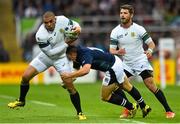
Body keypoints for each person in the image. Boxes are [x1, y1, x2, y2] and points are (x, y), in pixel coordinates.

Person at [8, 11, 86, 120]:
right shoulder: (40, 35)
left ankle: (80, 113)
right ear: (43, 22)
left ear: (55, 19)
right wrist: (66, 43)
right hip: (46, 57)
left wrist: (77, 29)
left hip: (61, 58)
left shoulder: (62, 20)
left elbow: (77, 25)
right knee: (25, 76)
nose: (49, 24)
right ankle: (21, 100)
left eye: (51, 21)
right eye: (46, 22)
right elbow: (51, 53)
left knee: (69, 86)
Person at [109, 4, 175, 119]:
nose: (122, 15)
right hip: (127, 63)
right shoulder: (115, 31)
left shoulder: (139, 29)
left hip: (140, 61)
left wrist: (149, 50)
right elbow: (111, 50)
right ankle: (130, 108)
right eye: (121, 13)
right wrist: (118, 52)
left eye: (125, 13)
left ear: (131, 15)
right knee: (116, 86)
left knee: (150, 85)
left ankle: (169, 110)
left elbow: (151, 44)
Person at [61, 45, 152, 118]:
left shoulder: (85, 54)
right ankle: (144, 106)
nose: (70, 59)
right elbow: (77, 69)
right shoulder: (78, 52)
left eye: (69, 57)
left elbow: (86, 70)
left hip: (112, 68)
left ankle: (131, 107)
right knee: (126, 86)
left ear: (73, 54)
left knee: (105, 96)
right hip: (116, 61)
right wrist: (71, 79)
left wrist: (69, 75)